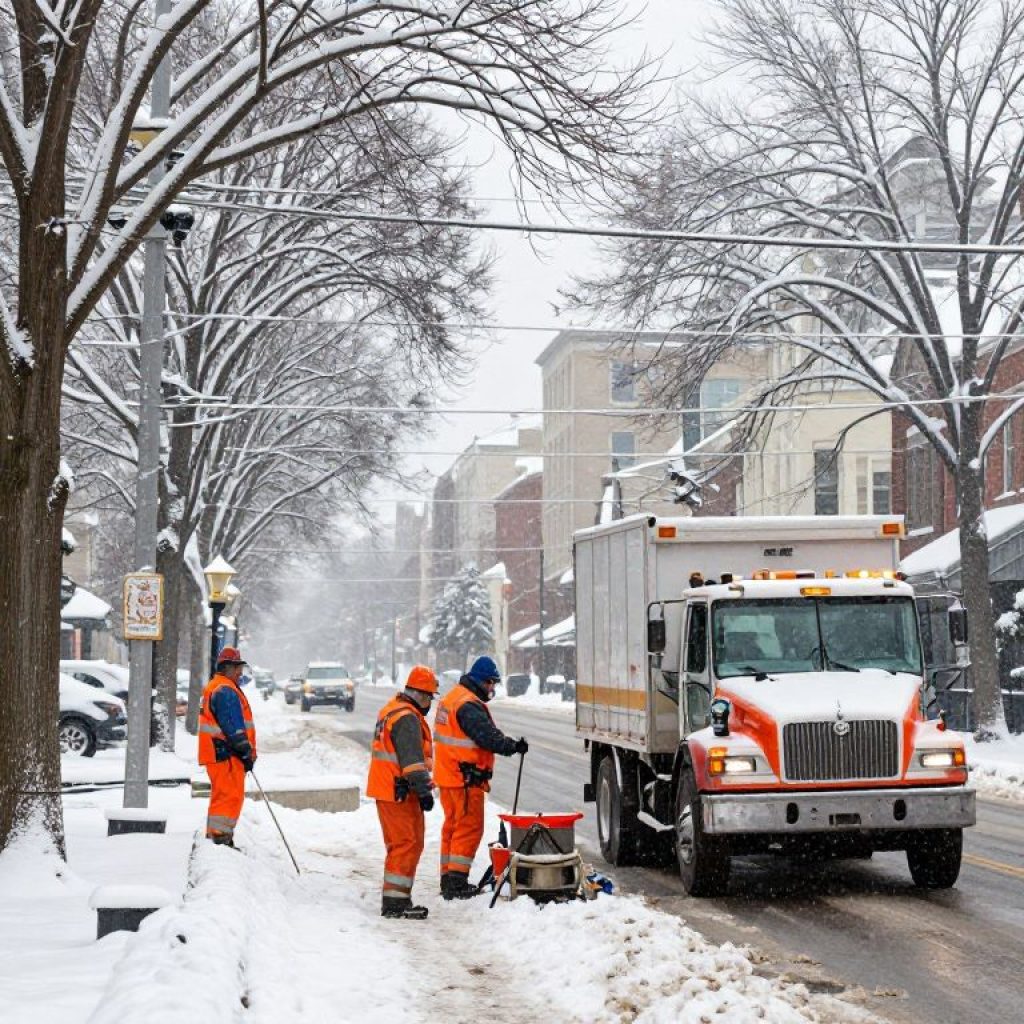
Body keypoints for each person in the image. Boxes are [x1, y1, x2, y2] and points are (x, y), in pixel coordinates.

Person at [433, 656, 528, 900]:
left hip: (449, 777)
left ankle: (448, 878)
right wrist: (513, 746)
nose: (492, 689)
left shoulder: (452, 698)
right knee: (468, 828)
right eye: (490, 684)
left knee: (452, 828)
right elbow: (487, 737)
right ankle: (456, 883)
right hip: (465, 779)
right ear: (481, 680)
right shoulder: (468, 704)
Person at [366, 665, 439, 921]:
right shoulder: (407, 718)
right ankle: (395, 903)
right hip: (399, 792)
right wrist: (423, 791)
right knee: (405, 845)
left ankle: (398, 898)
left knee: (404, 844)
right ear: (420, 694)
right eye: (429, 696)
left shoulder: (391, 710)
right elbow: (412, 762)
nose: (430, 702)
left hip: (389, 789)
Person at [198, 646, 256, 847]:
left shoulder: (217, 686)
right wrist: (245, 752)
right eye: (237, 667)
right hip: (226, 754)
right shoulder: (225, 690)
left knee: (223, 795)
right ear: (227, 667)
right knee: (229, 796)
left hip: (219, 753)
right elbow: (233, 726)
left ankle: (217, 836)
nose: (240, 672)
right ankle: (219, 839)